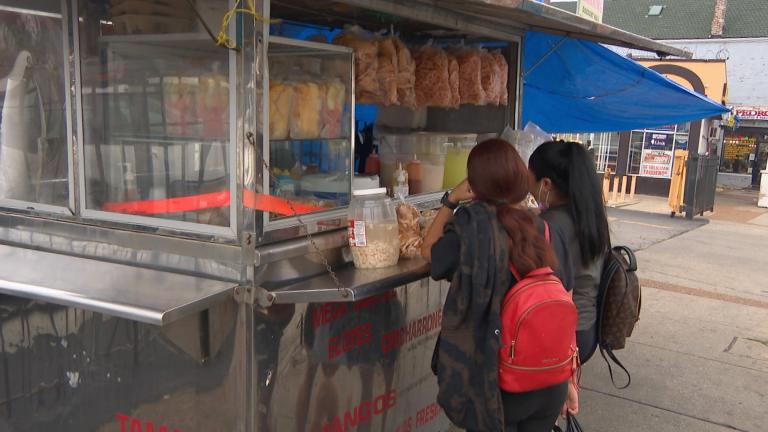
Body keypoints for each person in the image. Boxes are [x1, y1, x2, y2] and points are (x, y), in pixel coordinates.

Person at [421, 139, 575, 432]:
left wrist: (451, 199)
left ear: (475, 184)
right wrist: (569, 378)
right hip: (549, 377)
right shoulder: (544, 229)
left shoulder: (471, 231)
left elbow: (428, 250)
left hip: (500, 382)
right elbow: (564, 299)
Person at [528, 140, 611, 365]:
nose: (527, 186)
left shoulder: (549, 226)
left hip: (561, 334)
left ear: (546, 184)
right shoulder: (589, 216)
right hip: (586, 327)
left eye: (529, 178)